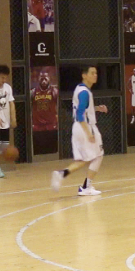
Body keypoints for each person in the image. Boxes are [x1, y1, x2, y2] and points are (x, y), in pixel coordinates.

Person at [50, 66, 109, 196]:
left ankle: (63, 174)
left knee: (85, 159)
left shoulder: (79, 89)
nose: (95, 75)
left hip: (77, 127)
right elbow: (80, 113)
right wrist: (88, 133)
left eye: (96, 73)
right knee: (98, 155)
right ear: (84, 75)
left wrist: (96, 108)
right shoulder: (84, 92)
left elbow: (82, 108)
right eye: (92, 73)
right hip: (85, 126)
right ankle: (85, 187)